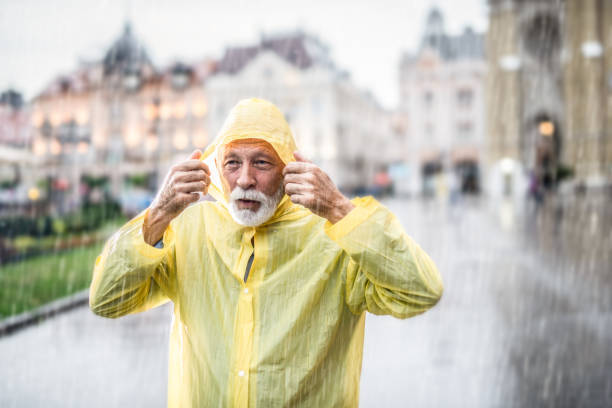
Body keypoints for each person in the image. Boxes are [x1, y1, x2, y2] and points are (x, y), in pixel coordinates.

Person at [89, 98, 443, 407]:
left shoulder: (335, 236)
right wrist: (158, 215)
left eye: (261, 163)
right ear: (216, 170)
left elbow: (419, 291)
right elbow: (107, 300)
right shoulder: (185, 230)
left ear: (290, 169)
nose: (244, 179)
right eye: (232, 163)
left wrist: (337, 208)